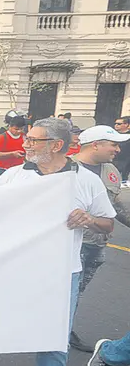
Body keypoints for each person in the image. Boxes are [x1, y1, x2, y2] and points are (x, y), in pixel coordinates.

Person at [0, 118, 115, 366]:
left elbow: (107, 224)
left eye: (34, 140)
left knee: (56, 335)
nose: (26, 143)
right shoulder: (13, 176)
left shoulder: (86, 181)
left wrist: (89, 219)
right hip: (13, 266)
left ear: (57, 145)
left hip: (62, 271)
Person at [69, 125, 130, 352]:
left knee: (76, 292)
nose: (117, 149)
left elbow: (113, 207)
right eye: (113, 144)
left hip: (96, 244)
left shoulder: (111, 171)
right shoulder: (64, 169)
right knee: (60, 291)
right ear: (96, 144)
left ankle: (63, 329)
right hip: (71, 243)